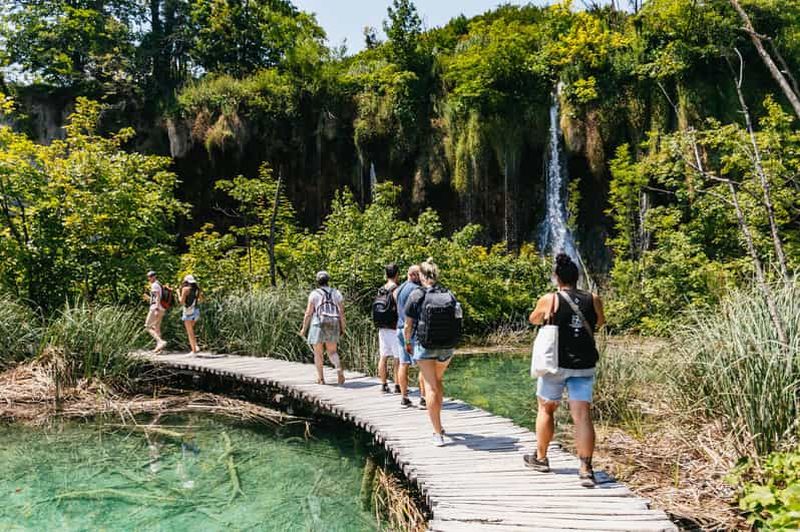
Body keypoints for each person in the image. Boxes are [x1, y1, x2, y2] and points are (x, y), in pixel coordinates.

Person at [524, 253, 605, 487]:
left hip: (555, 364)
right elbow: (600, 322)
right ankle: (586, 469)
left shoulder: (550, 299)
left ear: (556, 277)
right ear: (577, 277)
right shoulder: (593, 298)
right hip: (583, 364)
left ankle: (541, 458)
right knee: (582, 416)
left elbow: (533, 319)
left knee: (546, 409)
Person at [404, 258, 461, 447]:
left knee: (430, 387)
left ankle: (437, 432)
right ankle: (439, 423)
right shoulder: (448, 293)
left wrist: (407, 342)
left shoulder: (417, 294)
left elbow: (408, 325)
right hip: (447, 346)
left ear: (421, 275)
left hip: (425, 346)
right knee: (437, 381)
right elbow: (458, 318)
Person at [300, 271, 346, 385]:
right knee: (332, 352)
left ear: (317, 281)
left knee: (318, 353)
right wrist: (343, 327)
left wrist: (304, 329)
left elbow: (308, 313)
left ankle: (321, 379)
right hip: (333, 322)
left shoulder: (314, 294)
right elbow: (341, 312)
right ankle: (339, 369)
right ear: (328, 280)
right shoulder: (336, 293)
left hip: (318, 323)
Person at [394, 265, 425, 408]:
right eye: (419, 274)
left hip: (399, 328)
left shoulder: (399, 288)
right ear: (413, 274)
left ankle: (404, 398)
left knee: (403, 363)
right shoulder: (416, 290)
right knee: (422, 364)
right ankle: (423, 398)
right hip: (410, 329)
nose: (421, 277)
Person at [374, 263, 401, 393]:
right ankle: (397, 385)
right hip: (394, 327)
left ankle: (383, 384)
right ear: (397, 274)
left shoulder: (381, 289)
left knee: (383, 356)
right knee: (397, 358)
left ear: (386, 274)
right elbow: (399, 308)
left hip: (382, 327)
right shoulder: (396, 289)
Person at [145, 270, 167, 352]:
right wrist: (148, 298)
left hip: (155, 308)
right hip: (162, 308)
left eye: (150, 276)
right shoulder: (159, 284)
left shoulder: (154, 285)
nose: (149, 278)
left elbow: (157, 297)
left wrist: (156, 309)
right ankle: (159, 348)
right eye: (148, 277)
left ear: (154, 276)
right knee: (157, 327)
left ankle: (160, 342)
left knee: (147, 326)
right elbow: (156, 297)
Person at [179, 274, 202, 354]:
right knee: (191, 330)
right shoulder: (197, 289)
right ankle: (196, 346)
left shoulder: (185, 289)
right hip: (196, 311)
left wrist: (178, 293)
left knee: (190, 332)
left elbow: (181, 302)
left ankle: (194, 351)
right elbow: (201, 299)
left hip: (188, 312)